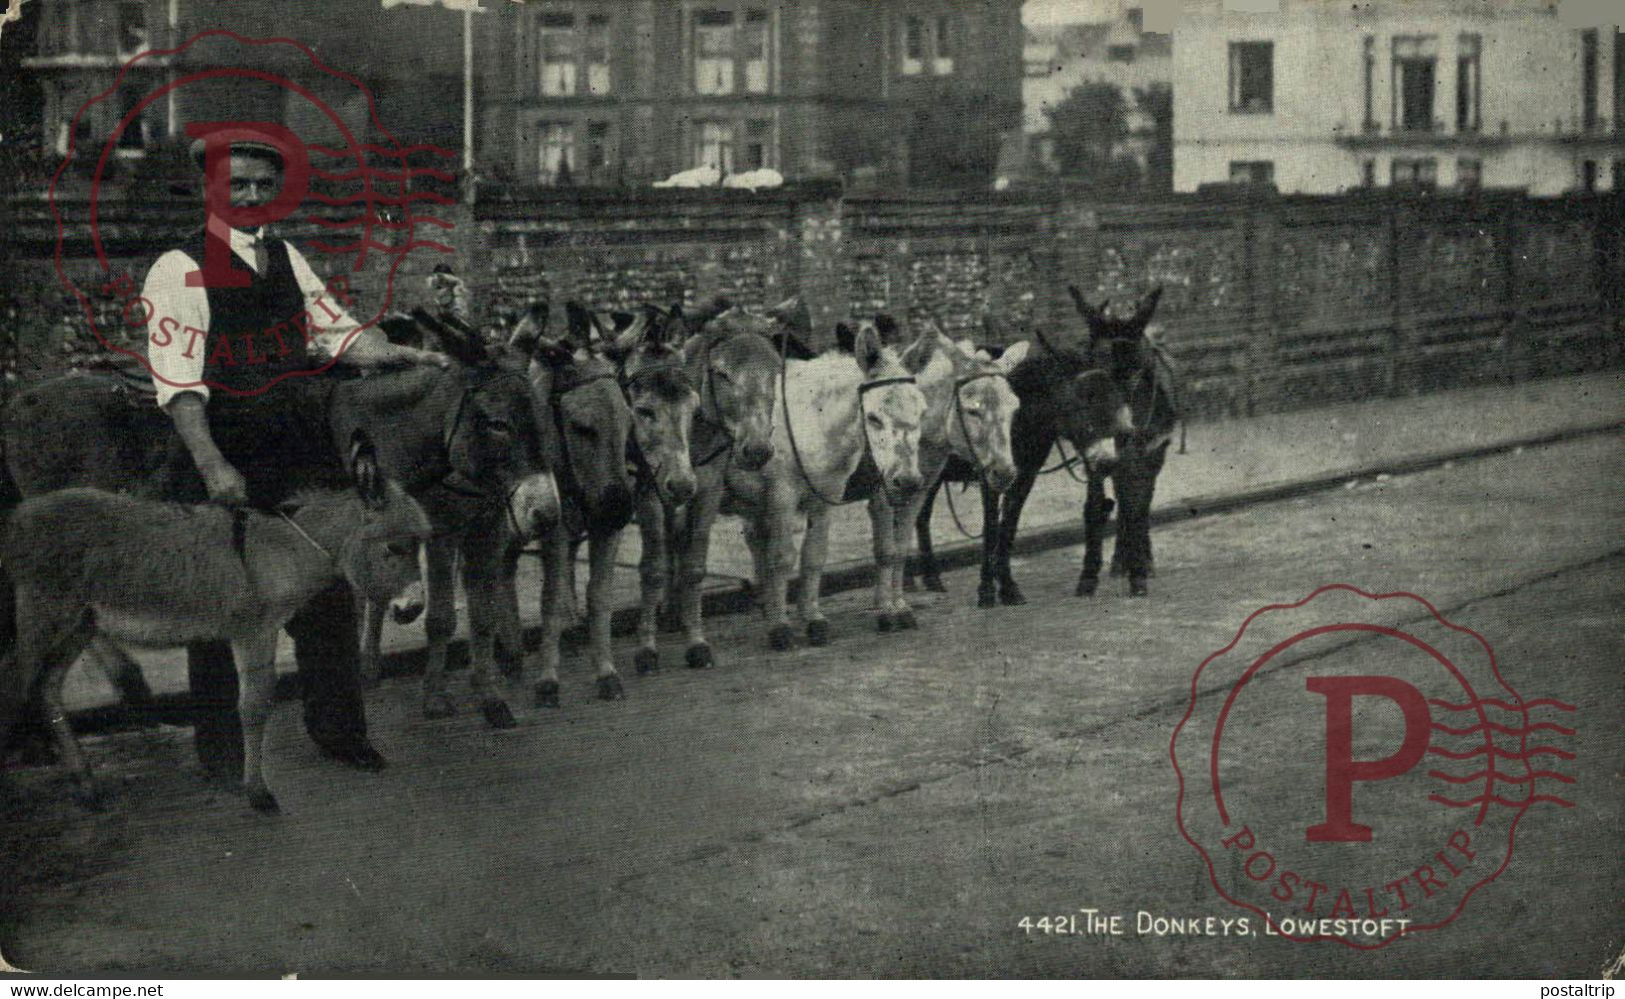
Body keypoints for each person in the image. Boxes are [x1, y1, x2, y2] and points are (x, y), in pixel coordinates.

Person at [140, 137, 447, 780]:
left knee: (327, 592)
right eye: (238, 184)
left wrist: (403, 353)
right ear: (210, 189)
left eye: (261, 185)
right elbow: (179, 385)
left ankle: (338, 730)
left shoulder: (284, 257)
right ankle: (223, 752)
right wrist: (212, 466)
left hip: (299, 448)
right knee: (227, 600)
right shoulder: (180, 267)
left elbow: (339, 334)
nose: (250, 196)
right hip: (231, 450)